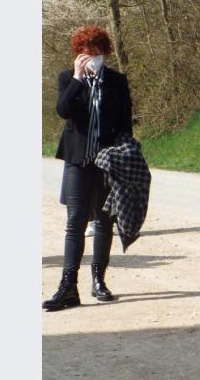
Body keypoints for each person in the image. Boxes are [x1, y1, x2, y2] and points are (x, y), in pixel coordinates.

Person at [43, 25, 133, 311]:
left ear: (105, 52)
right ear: (78, 54)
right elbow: (63, 110)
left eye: (97, 52)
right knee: (75, 221)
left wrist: (124, 155)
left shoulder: (117, 81)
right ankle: (68, 286)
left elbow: (126, 123)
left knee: (105, 220)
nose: (92, 57)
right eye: (86, 52)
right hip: (78, 160)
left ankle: (99, 280)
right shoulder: (68, 78)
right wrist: (79, 79)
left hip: (108, 159)